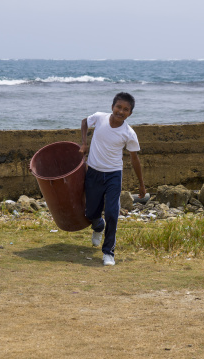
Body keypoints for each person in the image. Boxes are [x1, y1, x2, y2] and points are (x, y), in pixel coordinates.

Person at [79, 92, 146, 266]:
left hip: (114, 174)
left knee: (112, 213)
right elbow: (84, 121)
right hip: (93, 171)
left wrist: (141, 185)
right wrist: (84, 143)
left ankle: (108, 252)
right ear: (112, 107)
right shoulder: (100, 118)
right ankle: (98, 226)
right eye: (118, 107)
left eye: (126, 109)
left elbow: (134, 159)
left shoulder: (129, 133)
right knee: (91, 212)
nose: (121, 111)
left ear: (130, 114)